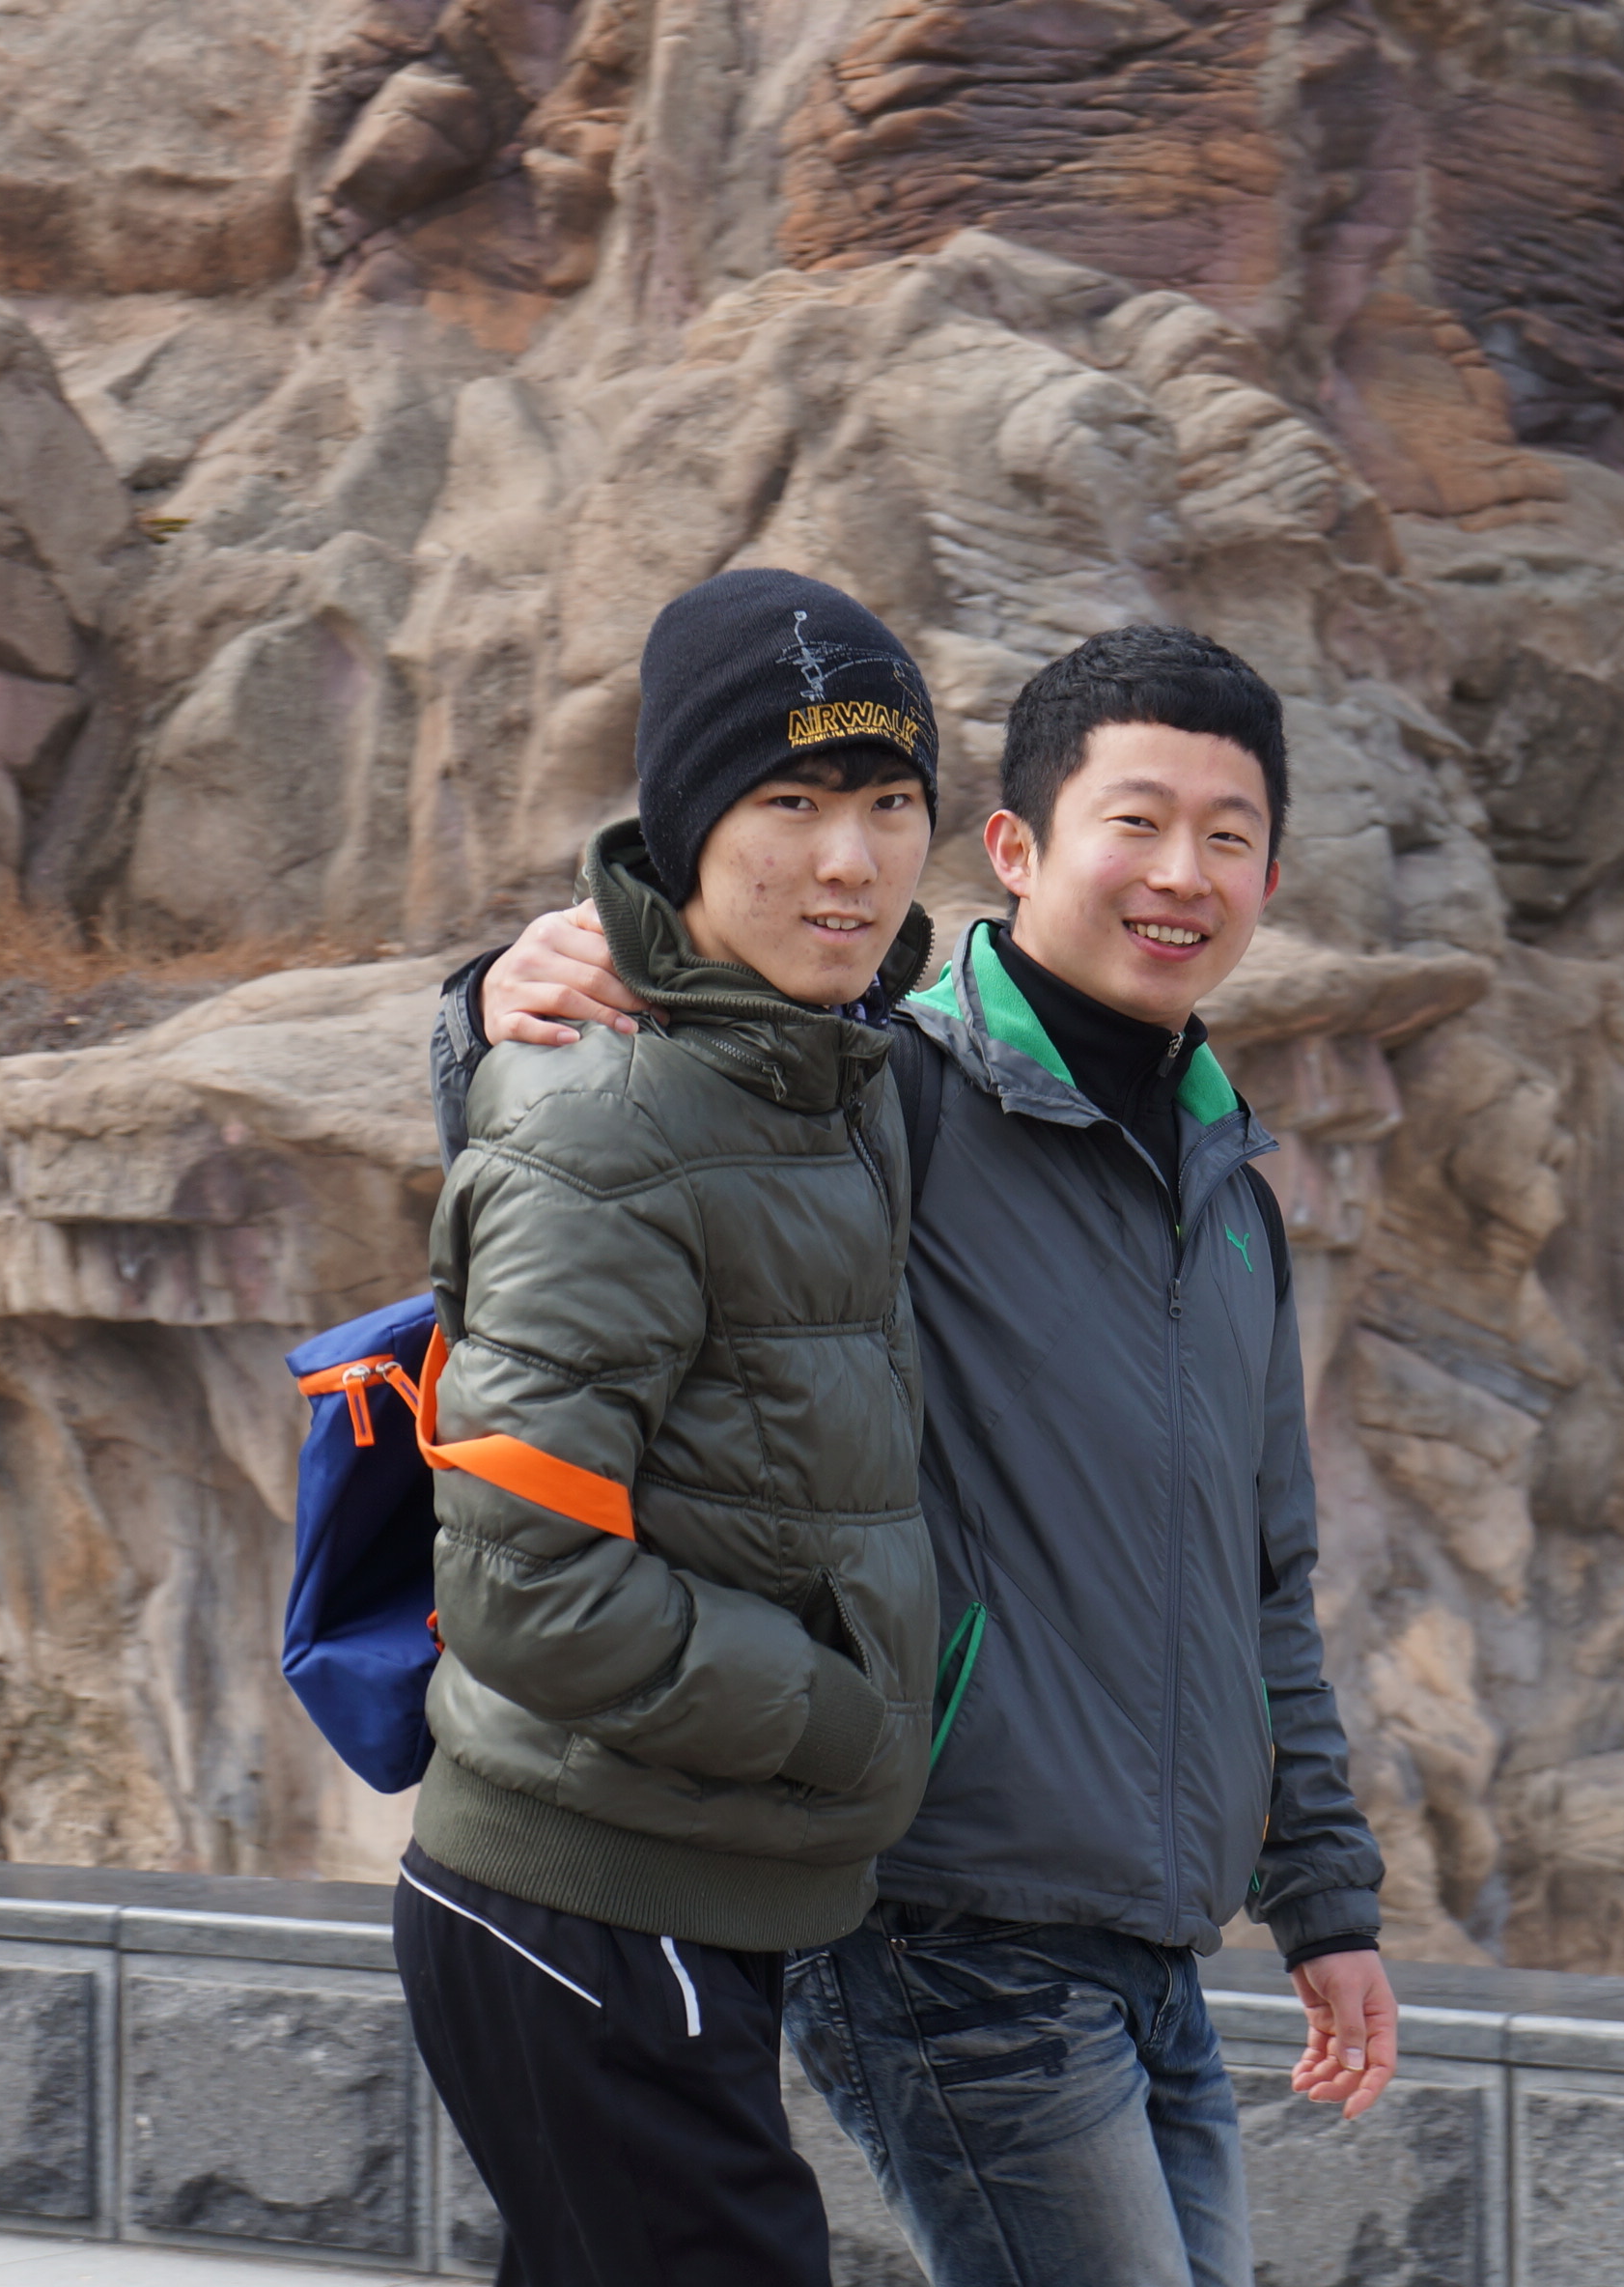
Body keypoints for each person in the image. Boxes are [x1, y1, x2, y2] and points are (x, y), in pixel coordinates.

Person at [433, 623, 1399, 2286]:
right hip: (948, 1919)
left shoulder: (1232, 1197)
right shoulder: (897, 1094)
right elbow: (663, 1103)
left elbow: (1265, 1580)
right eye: (1136, 823)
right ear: (1013, 849)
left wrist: (1323, 1894)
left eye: (1228, 838)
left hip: (1156, 1944)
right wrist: (481, 1009)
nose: (1182, 875)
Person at [396, 567, 943, 2287]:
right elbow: (527, 1584)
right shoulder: (611, 1115)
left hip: (674, 1874)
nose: (848, 861)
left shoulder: (829, 1072)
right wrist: (847, 1717)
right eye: (790, 804)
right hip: (590, 1895)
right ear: (691, 824)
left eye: (890, 804)